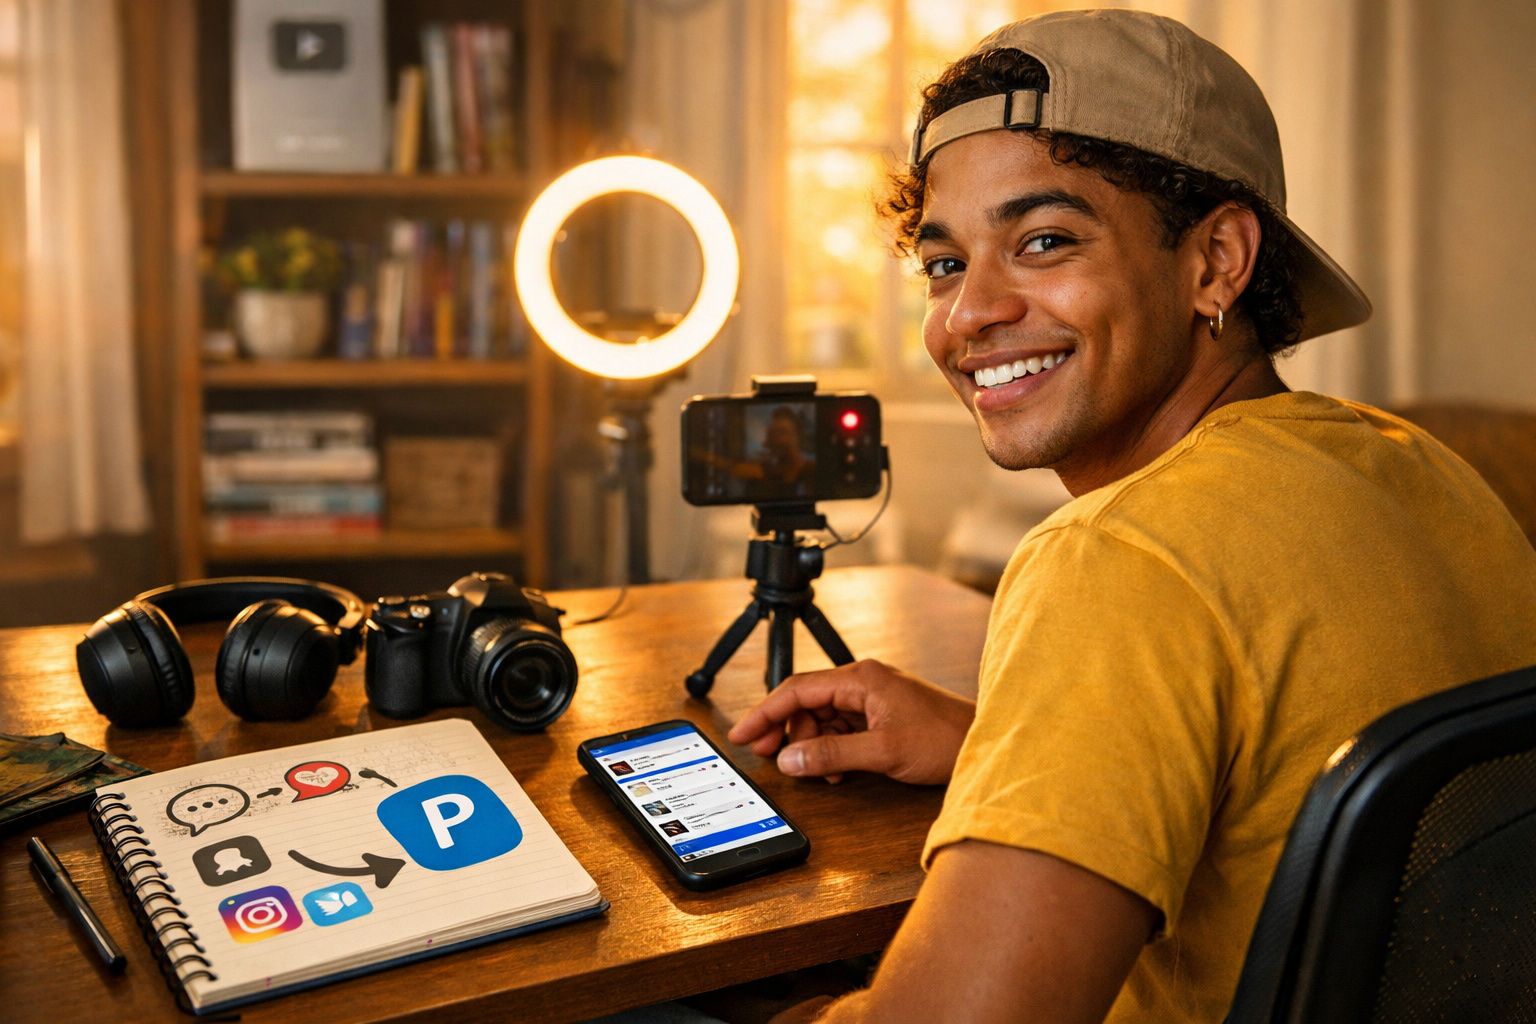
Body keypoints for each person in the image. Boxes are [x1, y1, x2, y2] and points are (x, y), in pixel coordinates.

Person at [727, 10, 1536, 1023]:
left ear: (1215, 263)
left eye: (1046, 240)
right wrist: (999, 749)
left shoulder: (1121, 555)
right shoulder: (1425, 470)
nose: (968, 312)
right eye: (944, 262)